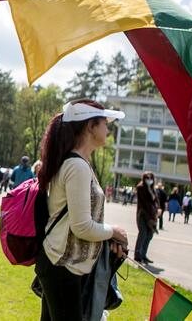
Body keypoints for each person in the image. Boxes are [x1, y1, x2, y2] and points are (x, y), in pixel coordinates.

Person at [34, 100, 128, 320]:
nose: (108, 128)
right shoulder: (76, 166)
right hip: (62, 267)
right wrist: (114, 231)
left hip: (61, 266)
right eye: (104, 122)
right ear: (90, 126)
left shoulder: (78, 163)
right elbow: (81, 227)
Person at [134, 171, 158, 264]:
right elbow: (144, 204)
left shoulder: (152, 189)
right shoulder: (140, 188)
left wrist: (157, 210)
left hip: (152, 216)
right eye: (147, 178)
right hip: (143, 215)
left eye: (151, 178)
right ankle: (137, 255)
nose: (149, 180)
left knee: (149, 235)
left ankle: (143, 255)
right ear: (144, 178)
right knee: (143, 233)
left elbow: (156, 201)